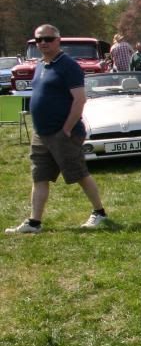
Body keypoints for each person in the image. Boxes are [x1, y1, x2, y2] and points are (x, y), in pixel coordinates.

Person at [6, 24, 109, 234]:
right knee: (39, 176)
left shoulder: (68, 65)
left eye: (48, 39)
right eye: (39, 40)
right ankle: (34, 222)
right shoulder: (41, 65)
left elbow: (79, 100)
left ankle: (100, 213)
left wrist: (67, 129)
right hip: (41, 133)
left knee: (79, 173)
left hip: (63, 133)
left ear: (58, 40)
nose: (43, 43)